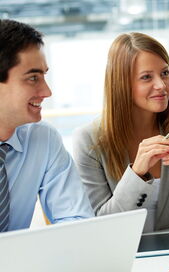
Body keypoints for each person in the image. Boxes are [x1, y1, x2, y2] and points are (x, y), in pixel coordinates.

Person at [73, 32, 169, 232]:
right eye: (146, 77)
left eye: (165, 73)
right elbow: (101, 225)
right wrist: (136, 173)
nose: (161, 85)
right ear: (121, 84)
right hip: (118, 254)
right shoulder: (89, 140)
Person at [0, 19, 94, 232]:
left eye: (44, 75)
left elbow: (76, 221)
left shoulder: (43, 138)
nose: (47, 92)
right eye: (33, 78)